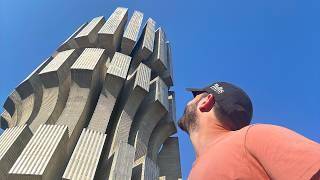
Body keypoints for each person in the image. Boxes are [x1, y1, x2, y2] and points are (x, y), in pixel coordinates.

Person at [178, 82, 320, 180]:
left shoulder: (253, 138)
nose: (189, 102)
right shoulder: (192, 173)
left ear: (205, 101)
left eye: (195, 96)